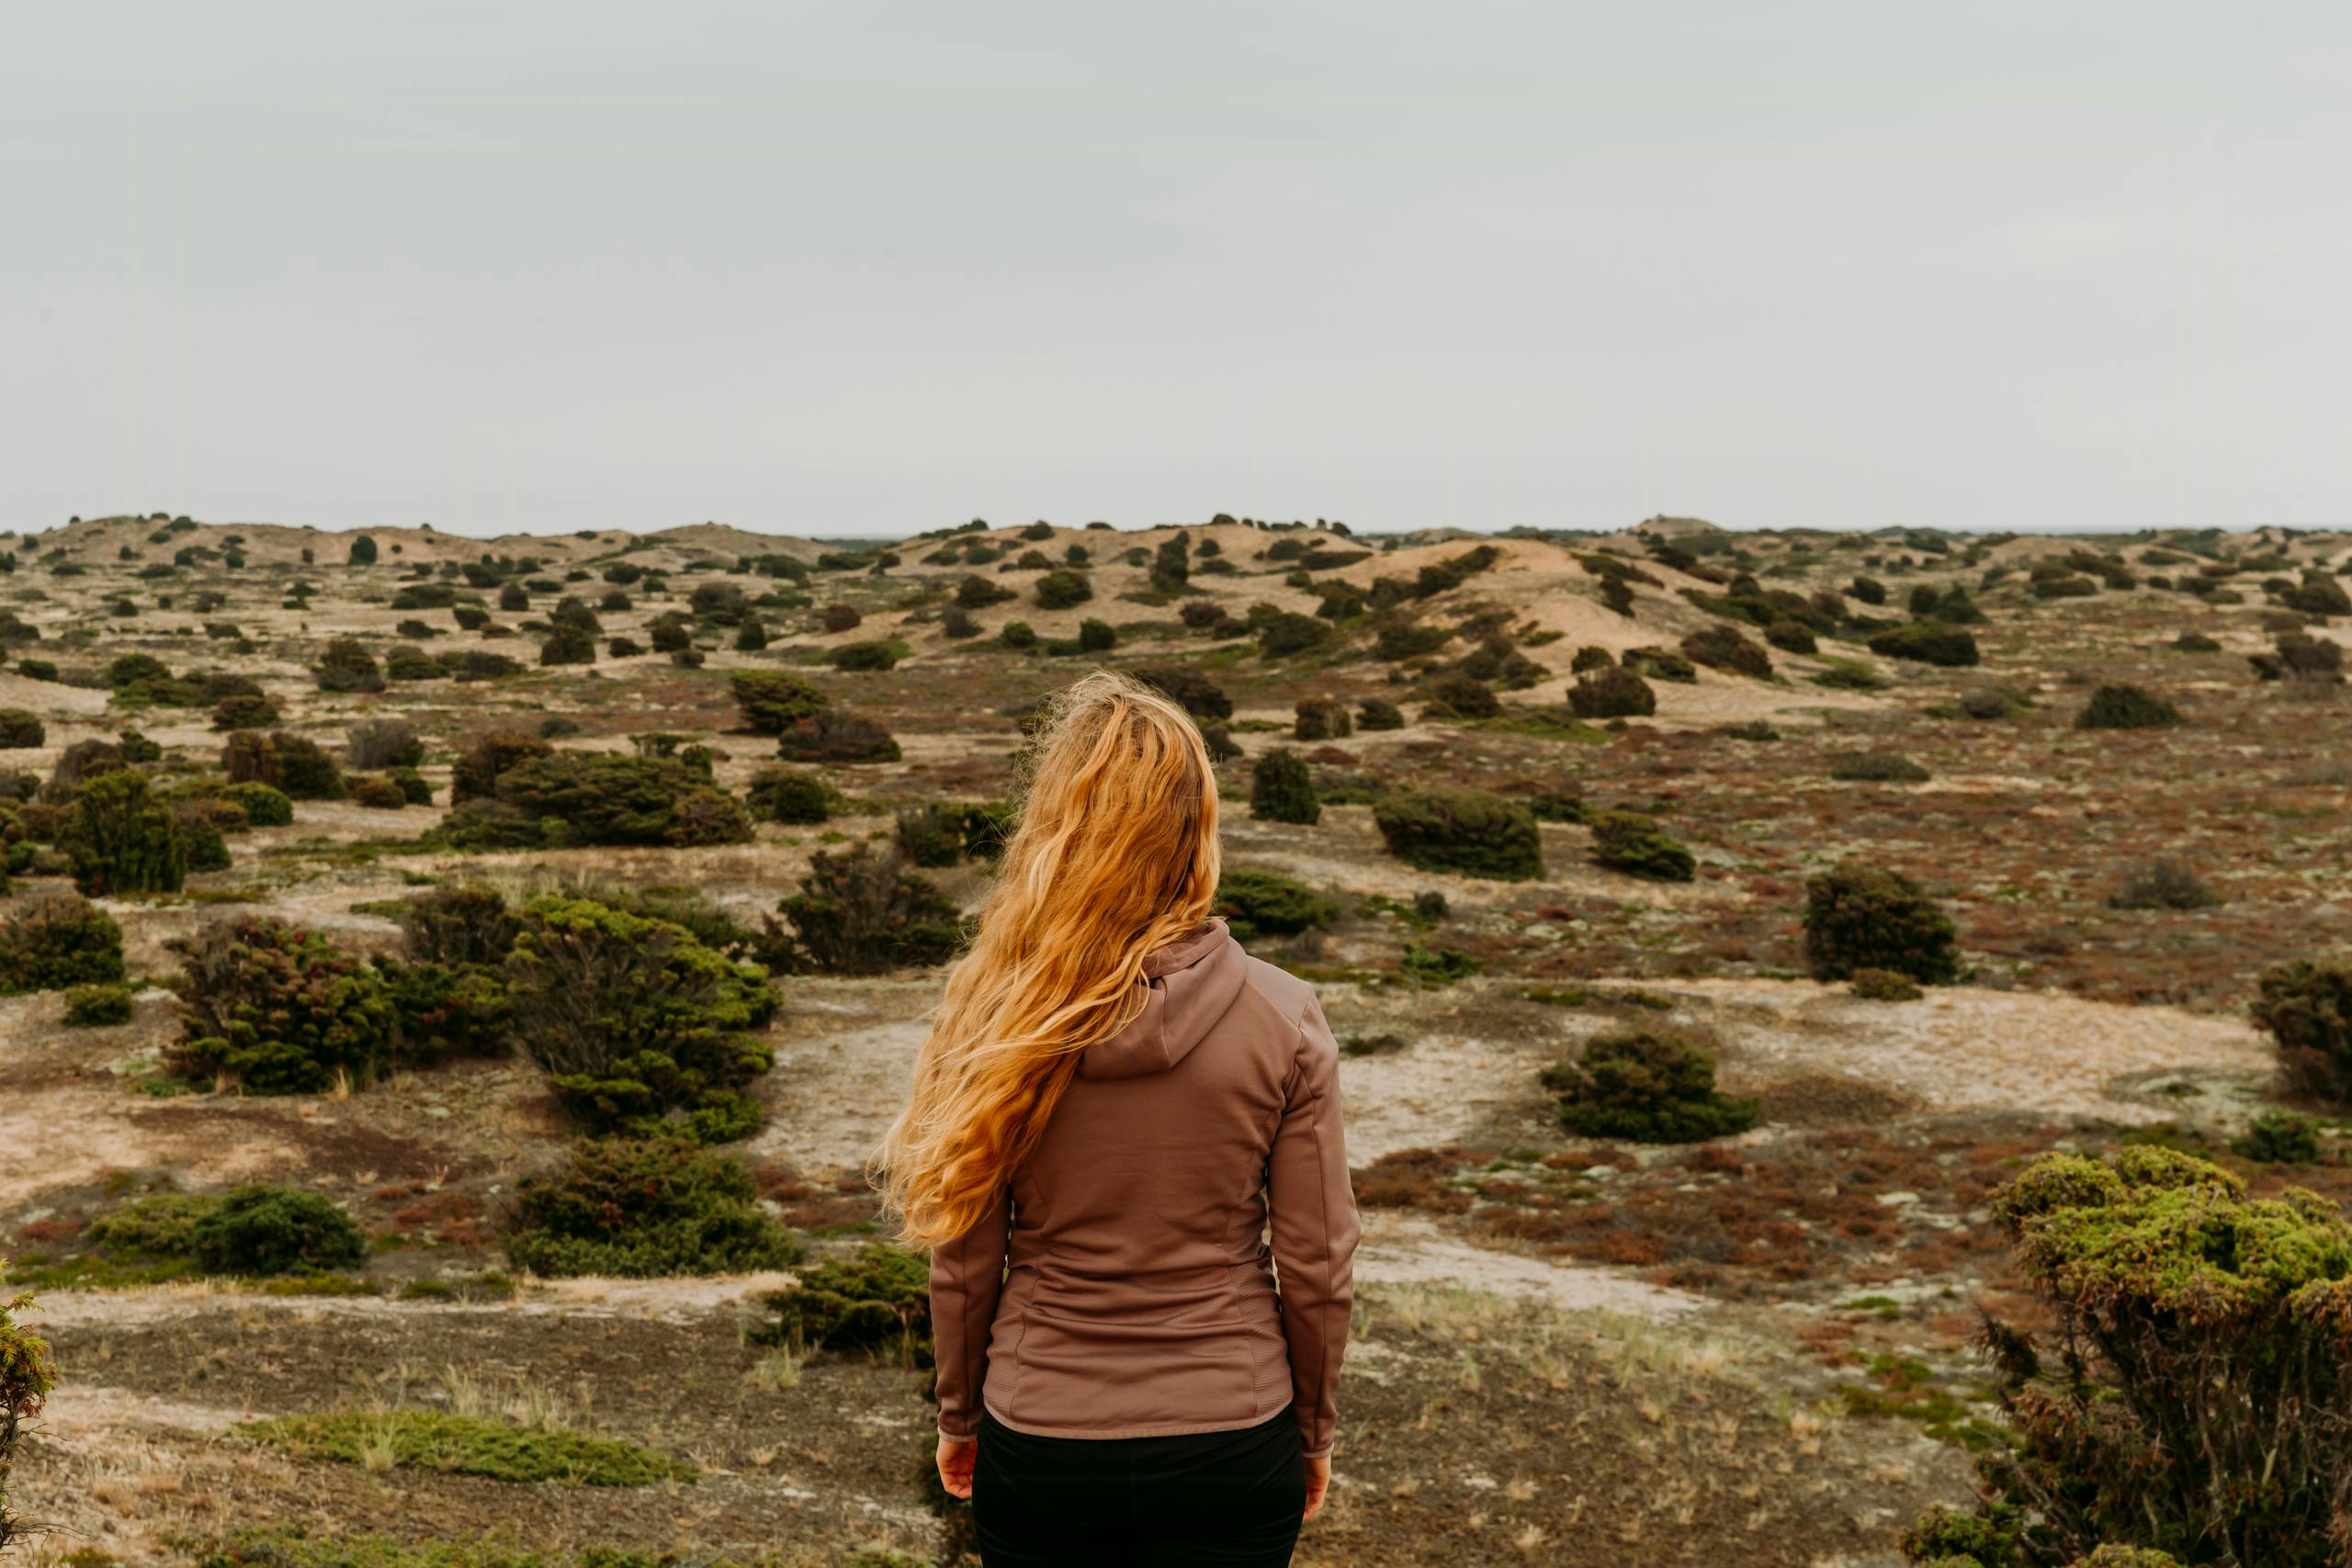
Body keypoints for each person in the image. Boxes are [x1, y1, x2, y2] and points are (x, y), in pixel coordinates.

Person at [876, 671, 1361, 1567]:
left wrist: (959, 1416)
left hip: (1043, 1437)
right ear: (1196, 833)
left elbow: (964, 1260)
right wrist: (1316, 1432)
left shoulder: (989, 1013)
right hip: (1235, 1436)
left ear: (1055, 831)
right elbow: (1318, 1264)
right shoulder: (1285, 1014)